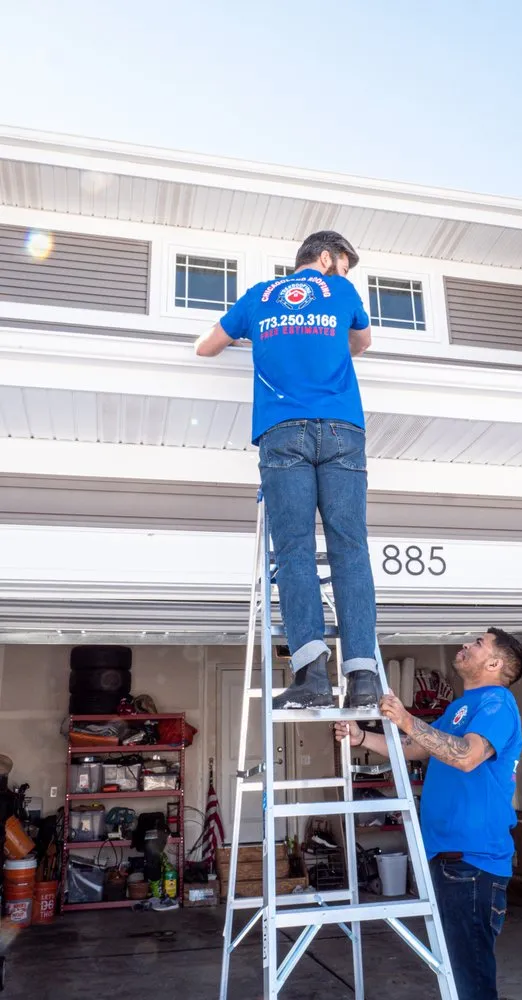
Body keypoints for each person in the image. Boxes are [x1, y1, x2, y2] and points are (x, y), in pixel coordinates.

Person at [194, 231, 379, 711]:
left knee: (294, 549)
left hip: (282, 431)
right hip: (342, 430)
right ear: (325, 257)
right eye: (342, 263)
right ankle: (362, 677)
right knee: (350, 548)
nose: (343, 273)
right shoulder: (340, 291)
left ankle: (312, 675)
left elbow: (206, 347)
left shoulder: (258, 297)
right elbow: (362, 342)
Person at [335, 627, 522, 1000]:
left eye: (477, 643)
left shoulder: (498, 703)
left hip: (472, 863)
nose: (465, 645)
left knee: (470, 978)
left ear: (494, 662)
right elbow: (415, 747)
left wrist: (407, 719)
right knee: (455, 971)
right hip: (446, 858)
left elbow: (468, 756)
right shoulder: (460, 706)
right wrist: (362, 738)